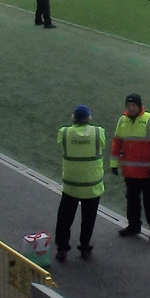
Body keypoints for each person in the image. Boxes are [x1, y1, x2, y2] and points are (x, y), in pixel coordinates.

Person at [55, 104, 105, 261]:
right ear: (89, 118)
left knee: (64, 219)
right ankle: (84, 247)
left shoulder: (64, 133)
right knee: (88, 220)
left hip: (71, 186)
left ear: (73, 118)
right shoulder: (99, 133)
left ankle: (62, 248)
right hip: (92, 186)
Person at [111, 93, 150, 241]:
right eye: (128, 106)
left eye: (133, 105)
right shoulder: (122, 121)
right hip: (130, 172)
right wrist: (114, 164)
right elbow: (117, 143)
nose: (131, 108)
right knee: (132, 200)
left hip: (147, 172)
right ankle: (134, 226)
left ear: (139, 106)